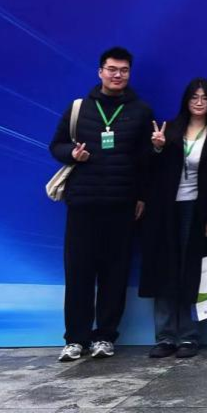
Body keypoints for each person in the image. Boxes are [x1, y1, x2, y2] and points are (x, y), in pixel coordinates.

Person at [48, 46, 155, 362]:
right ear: (100, 72)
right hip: (83, 203)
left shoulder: (141, 111)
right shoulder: (79, 108)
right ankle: (75, 339)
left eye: (123, 70)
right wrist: (72, 154)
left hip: (121, 204)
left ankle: (105, 336)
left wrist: (142, 196)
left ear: (129, 73)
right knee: (78, 273)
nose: (117, 75)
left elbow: (146, 161)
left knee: (115, 275)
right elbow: (56, 146)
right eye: (112, 69)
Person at [138, 78, 207, 359]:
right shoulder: (170, 128)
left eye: (205, 98)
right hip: (165, 210)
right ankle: (165, 336)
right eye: (194, 97)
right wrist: (157, 147)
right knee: (165, 270)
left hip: (197, 210)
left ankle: (189, 336)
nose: (199, 102)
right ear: (186, 100)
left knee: (192, 273)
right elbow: (148, 169)